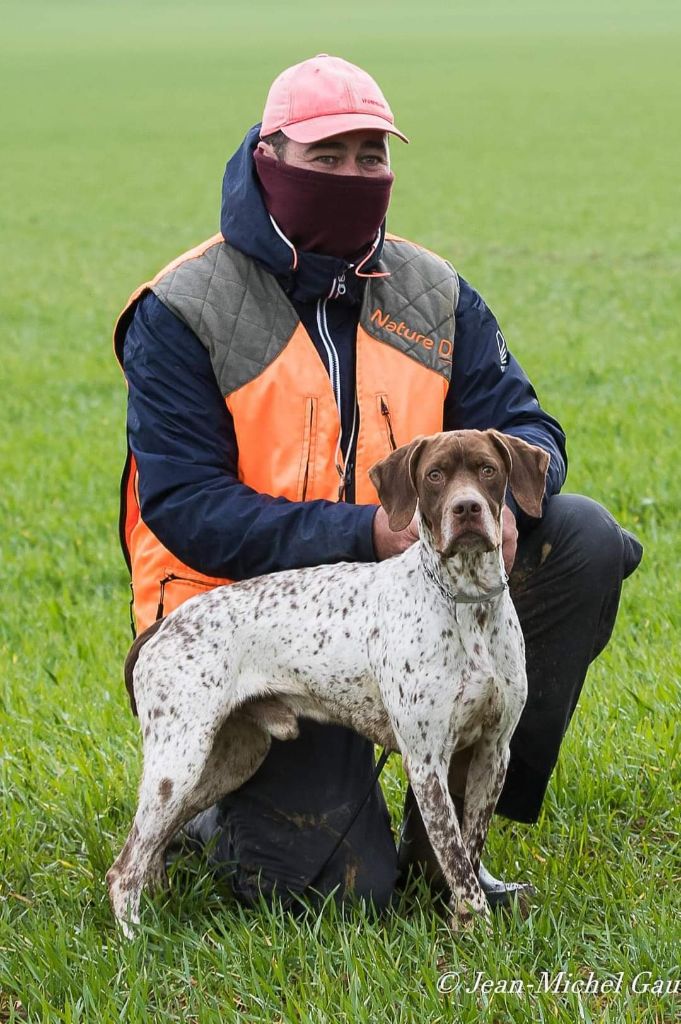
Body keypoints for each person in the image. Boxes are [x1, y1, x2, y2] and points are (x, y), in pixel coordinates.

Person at [113, 54, 642, 913]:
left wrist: (503, 502)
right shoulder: (184, 310)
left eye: (373, 157)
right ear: (268, 160)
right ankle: (214, 808)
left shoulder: (435, 294)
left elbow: (528, 425)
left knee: (580, 536)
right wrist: (363, 534)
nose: (355, 176)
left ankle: (456, 849)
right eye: (327, 158)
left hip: (422, 596)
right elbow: (184, 508)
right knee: (338, 896)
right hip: (255, 631)